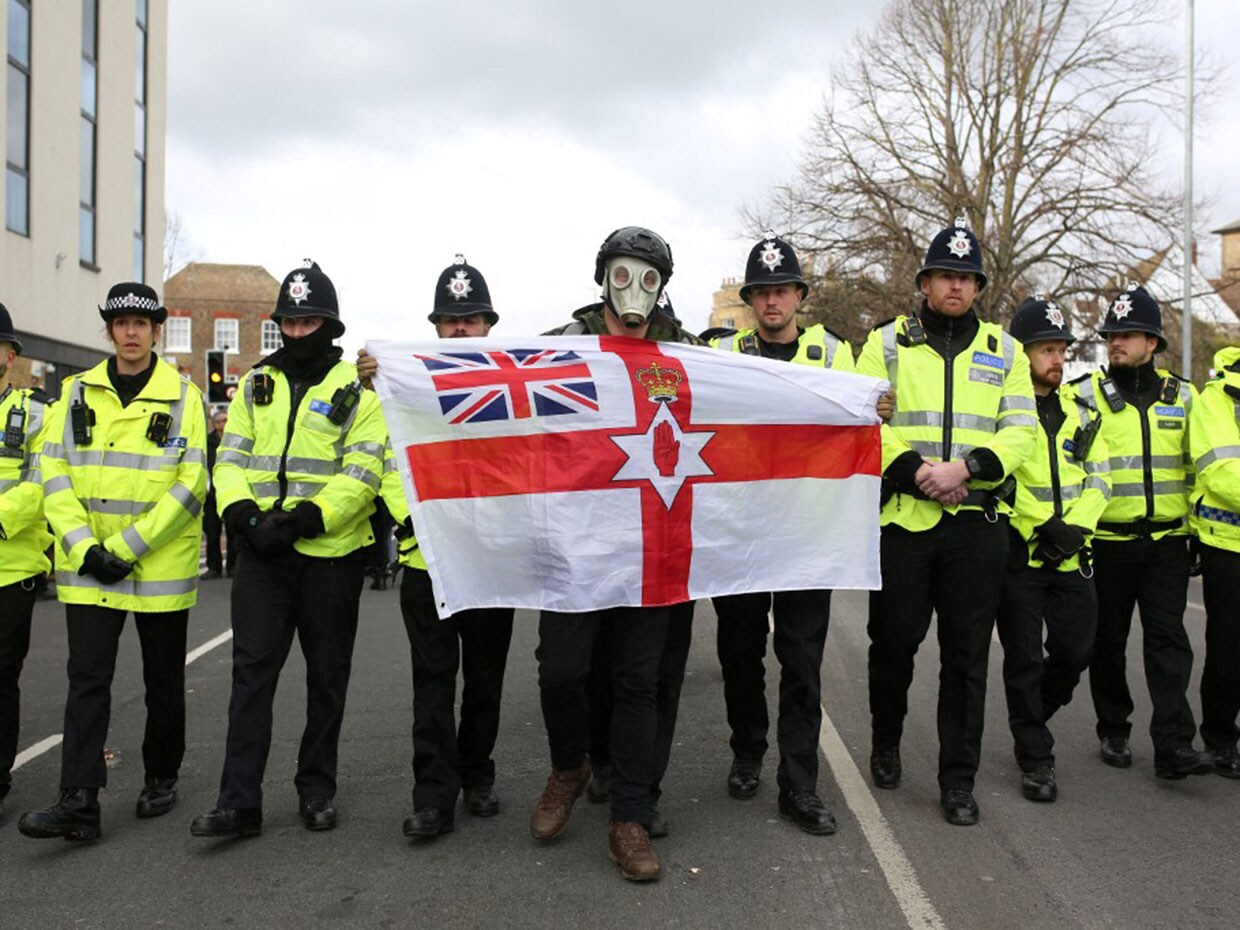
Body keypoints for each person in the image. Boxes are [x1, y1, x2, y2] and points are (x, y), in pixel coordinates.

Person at [190, 260, 386, 839]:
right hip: (263, 556)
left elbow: (363, 472)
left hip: (329, 556)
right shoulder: (256, 384)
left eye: (309, 323)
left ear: (330, 325)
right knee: (251, 677)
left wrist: (303, 518)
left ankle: (316, 790)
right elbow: (229, 460)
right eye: (291, 323)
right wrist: (246, 517)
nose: (298, 333)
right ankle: (238, 803)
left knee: (326, 679)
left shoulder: (358, 392)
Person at [530, 226, 702, 883]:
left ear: (664, 287)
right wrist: (391, 377)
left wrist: (860, 407)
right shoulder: (561, 347)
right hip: (576, 544)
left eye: (650, 277)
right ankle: (569, 766)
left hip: (651, 546)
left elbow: (758, 397)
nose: (636, 289)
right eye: (624, 274)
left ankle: (629, 816)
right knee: (562, 671)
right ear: (603, 277)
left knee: (640, 680)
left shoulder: (686, 353)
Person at [855, 217, 1036, 826]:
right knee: (895, 644)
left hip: (976, 525)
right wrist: (915, 469)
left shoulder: (1006, 351)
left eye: (966, 278)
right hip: (906, 519)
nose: (955, 287)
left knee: (966, 657)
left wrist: (969, 469)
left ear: (978, 287)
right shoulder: (884, 343)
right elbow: (861, 420)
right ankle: (886, 740)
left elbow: (1021, 430)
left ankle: (958, 781)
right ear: (925, 282)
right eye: (945, 276)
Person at [19, 283, 207, 842]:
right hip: (88, 566)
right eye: (121, 323)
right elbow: (51, 475)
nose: (130, 332)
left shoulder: (185, 397)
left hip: (156, 566)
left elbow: (191, 481)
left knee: (163, 681)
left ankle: (160, 775)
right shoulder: (74, 392)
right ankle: (79, 799)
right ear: (109, 330)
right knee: (87, 681)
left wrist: (125, 549)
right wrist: (84, 548)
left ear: (156, 331)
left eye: (141, 324)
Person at [707, 235, 855, 836]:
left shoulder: (834, 354)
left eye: (782, 290)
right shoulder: (721, 352)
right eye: (761, 292)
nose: (772, 301)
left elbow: (859, 416)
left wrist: (880, 408)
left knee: (801, 661)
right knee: (739, 652)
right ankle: (748, 749)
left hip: (805, 537)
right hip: (740, 532)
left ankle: (800, 784)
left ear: (799, 295)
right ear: (750, 300)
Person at [369, 255, 516, 840]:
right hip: (427, 561)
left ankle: (477, 774)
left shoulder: (509, 387)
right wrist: (418, 525)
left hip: (489, 561)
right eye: (451, 320)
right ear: (436, 326)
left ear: (487, 326)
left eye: (471, 320)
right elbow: (388, 463)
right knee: (432, 684)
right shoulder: (406, 387)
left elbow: (525, 465)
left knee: (484, 678)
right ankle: (434, 796)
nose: (460, 330)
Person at [1076, 284, 1213, 779]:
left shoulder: (1186, 398)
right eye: (1112, 334)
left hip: (1167, 543)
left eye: (1128, 335)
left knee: (1168, 640)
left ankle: (1174, 745)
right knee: (1106, 641)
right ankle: (1113, 727)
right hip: (1108, 542)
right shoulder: (1085, 396)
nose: (1116, 342)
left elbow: (1200, 467)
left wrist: (1195, 530)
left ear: (1153, 343)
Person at [996, 297, 1110, 803]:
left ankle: (1034, 712)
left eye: (1062, 349)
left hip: (1072, 553)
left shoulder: (1083, 414)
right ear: (1022, 356)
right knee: (1022, 658)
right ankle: (1035, 757)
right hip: (1022, 553)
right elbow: (998, 478)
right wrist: (1041, 524)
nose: (1058, 359)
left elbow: (1102, 480)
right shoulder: (1004, 412)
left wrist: (1075, 529)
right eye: (1047, 349)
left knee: (1075, 651)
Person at [0, 303, 53, 824]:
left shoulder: (37, 413)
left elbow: (41, 483)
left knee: (0, 678)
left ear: (10, 355)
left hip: (10, 568)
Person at [1189, 345, 1240, 779]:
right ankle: (1221, 740)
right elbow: (1220, 471)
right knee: (1229, 649)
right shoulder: (1217, 399)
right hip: (1228, 543)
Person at [200, 409, 236, 580]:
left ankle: (233, 567)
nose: (224, 424)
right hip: (212, 496)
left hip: (231, 493)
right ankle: (213, 567)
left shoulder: (235, 441)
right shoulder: (206, 443)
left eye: (227, 420)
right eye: (221, 421)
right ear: (215, 424)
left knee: (233, 532)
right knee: (212, 533)